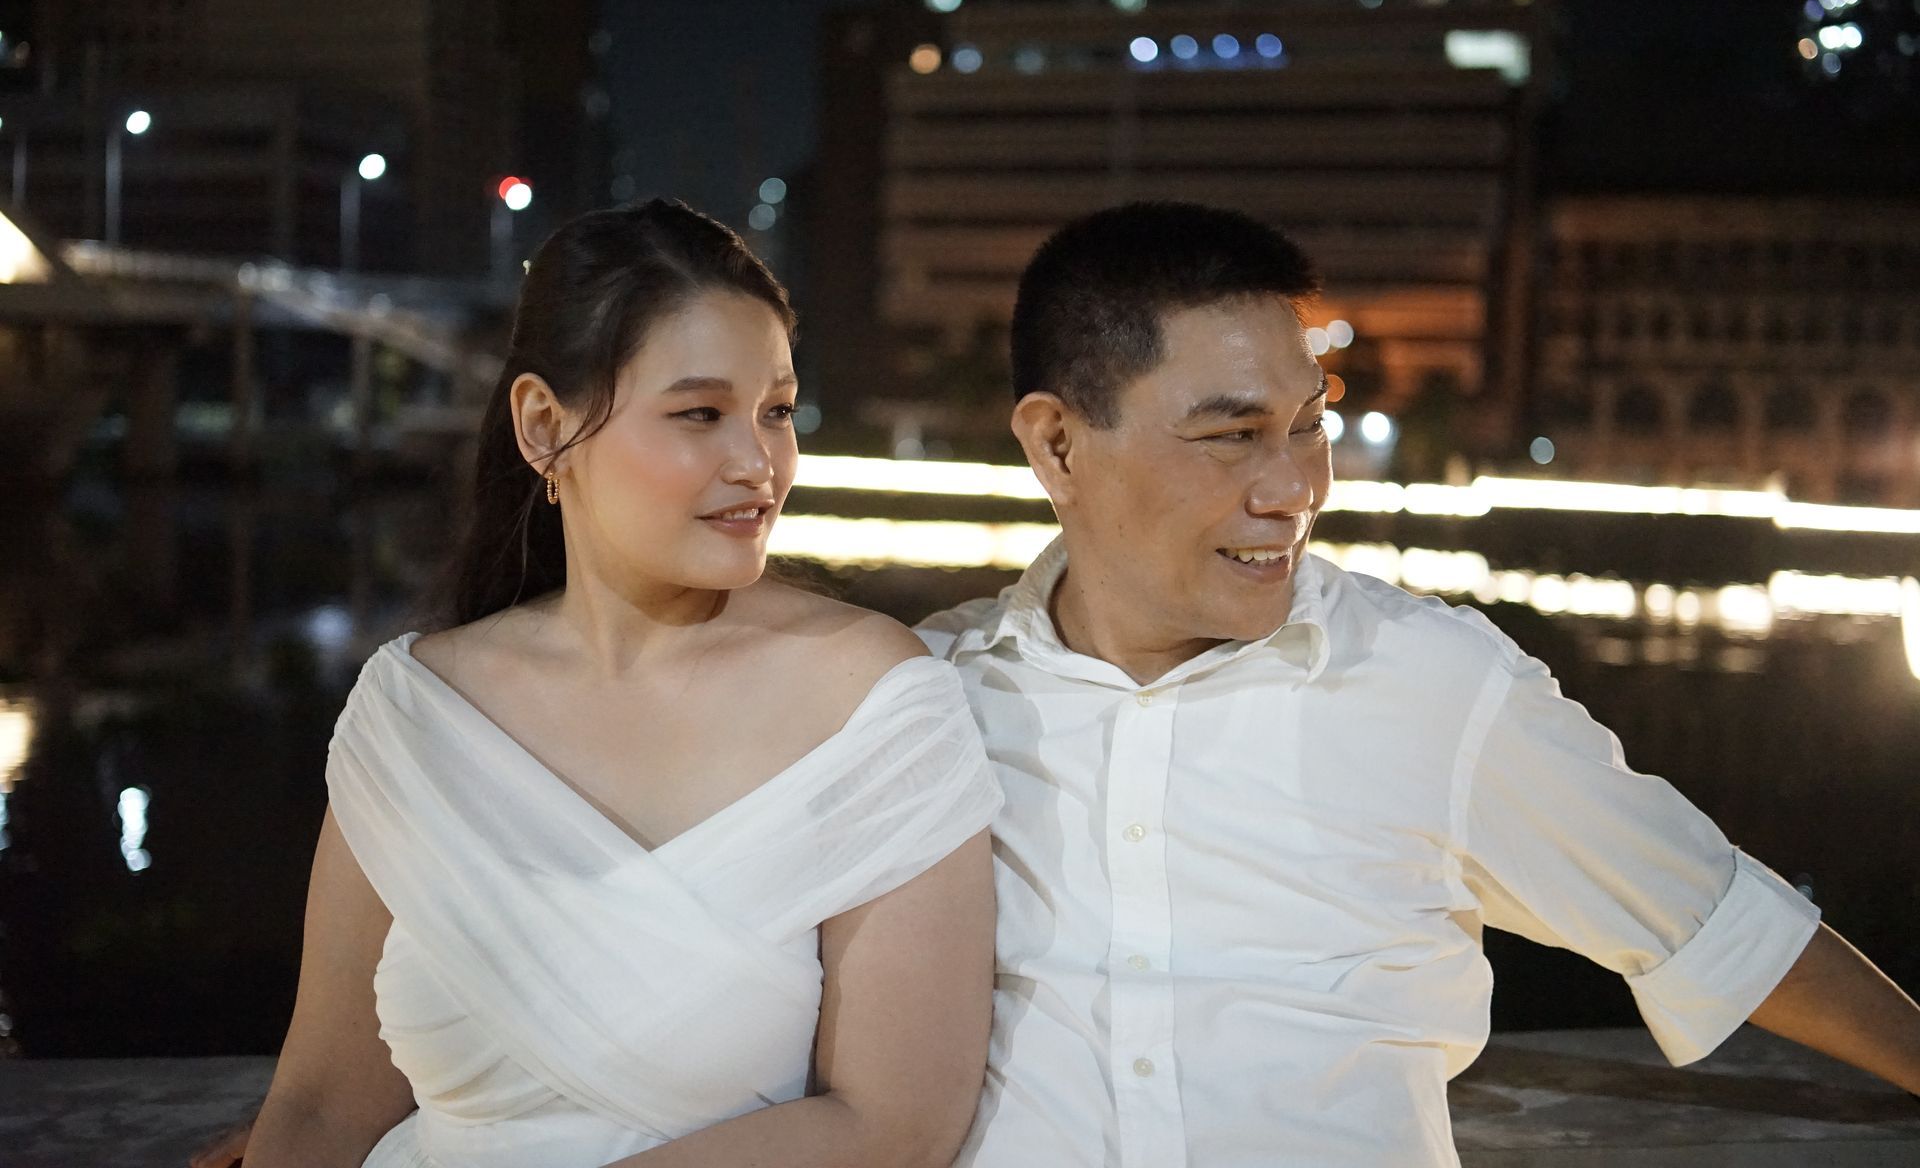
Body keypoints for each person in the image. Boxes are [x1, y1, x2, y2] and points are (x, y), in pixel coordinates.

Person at [908, 200, 1920, 1166]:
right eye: (1232, 436)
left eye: (1309, 424)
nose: (1295, 488)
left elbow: (1709, 915)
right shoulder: (926, 698)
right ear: (1058, 444)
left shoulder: (1430, 681)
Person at [235, 200, 1001, 1168]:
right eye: (700, 414)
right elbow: (320, 1105)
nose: (759, 463)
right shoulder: (415, 714)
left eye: (776, 411)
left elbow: (895, 1122)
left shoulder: (871, 702)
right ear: (543, 426)